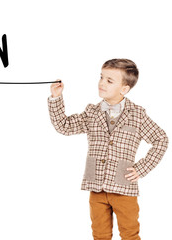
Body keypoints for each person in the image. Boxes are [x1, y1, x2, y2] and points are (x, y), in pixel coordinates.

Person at [47, 58, 169, 240]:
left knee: (130, 234)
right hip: (96, 188)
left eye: (109, 80)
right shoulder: (92, 113)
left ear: (124, 89)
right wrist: (56, 98)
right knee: (99, 235)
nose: (101, 83)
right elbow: (64, 126)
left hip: (124, 189)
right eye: (101, 77)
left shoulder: (137, 115)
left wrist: (141, 169)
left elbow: (161, 139)